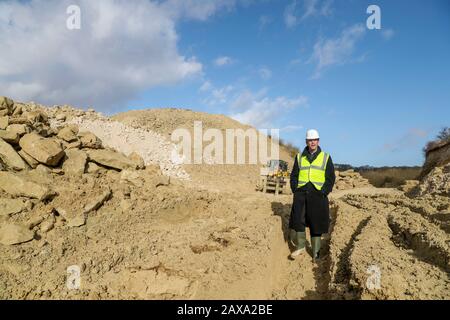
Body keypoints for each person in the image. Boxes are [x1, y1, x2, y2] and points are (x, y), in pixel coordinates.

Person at [288, 129, 336, 262]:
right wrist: (295, 189)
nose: (312, 142)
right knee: (298, 220)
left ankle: (315, 253)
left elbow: (330, 177)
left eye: (314, 140)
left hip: (318, 194)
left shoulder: (326, 157)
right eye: (310, 140)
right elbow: (294, 176)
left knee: (316, 222)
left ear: (318, 141)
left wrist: (324, 192)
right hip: (301, 193)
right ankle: (300, 246)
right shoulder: (299, 157)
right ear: (306, 141)